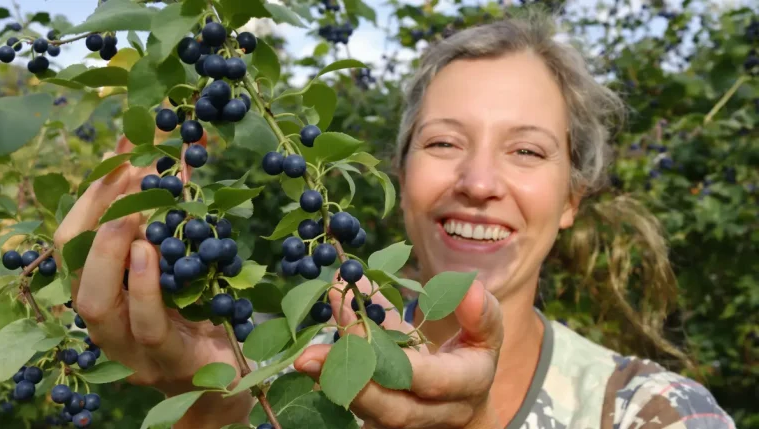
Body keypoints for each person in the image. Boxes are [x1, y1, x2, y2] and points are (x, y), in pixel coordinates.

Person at [53, 8, 735, 429]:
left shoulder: (658, 411)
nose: (477, 182)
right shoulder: (286, 376)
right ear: (400, 173)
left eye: (526, 150)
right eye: (443, 142)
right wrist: (214, 401)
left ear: (570, 202)